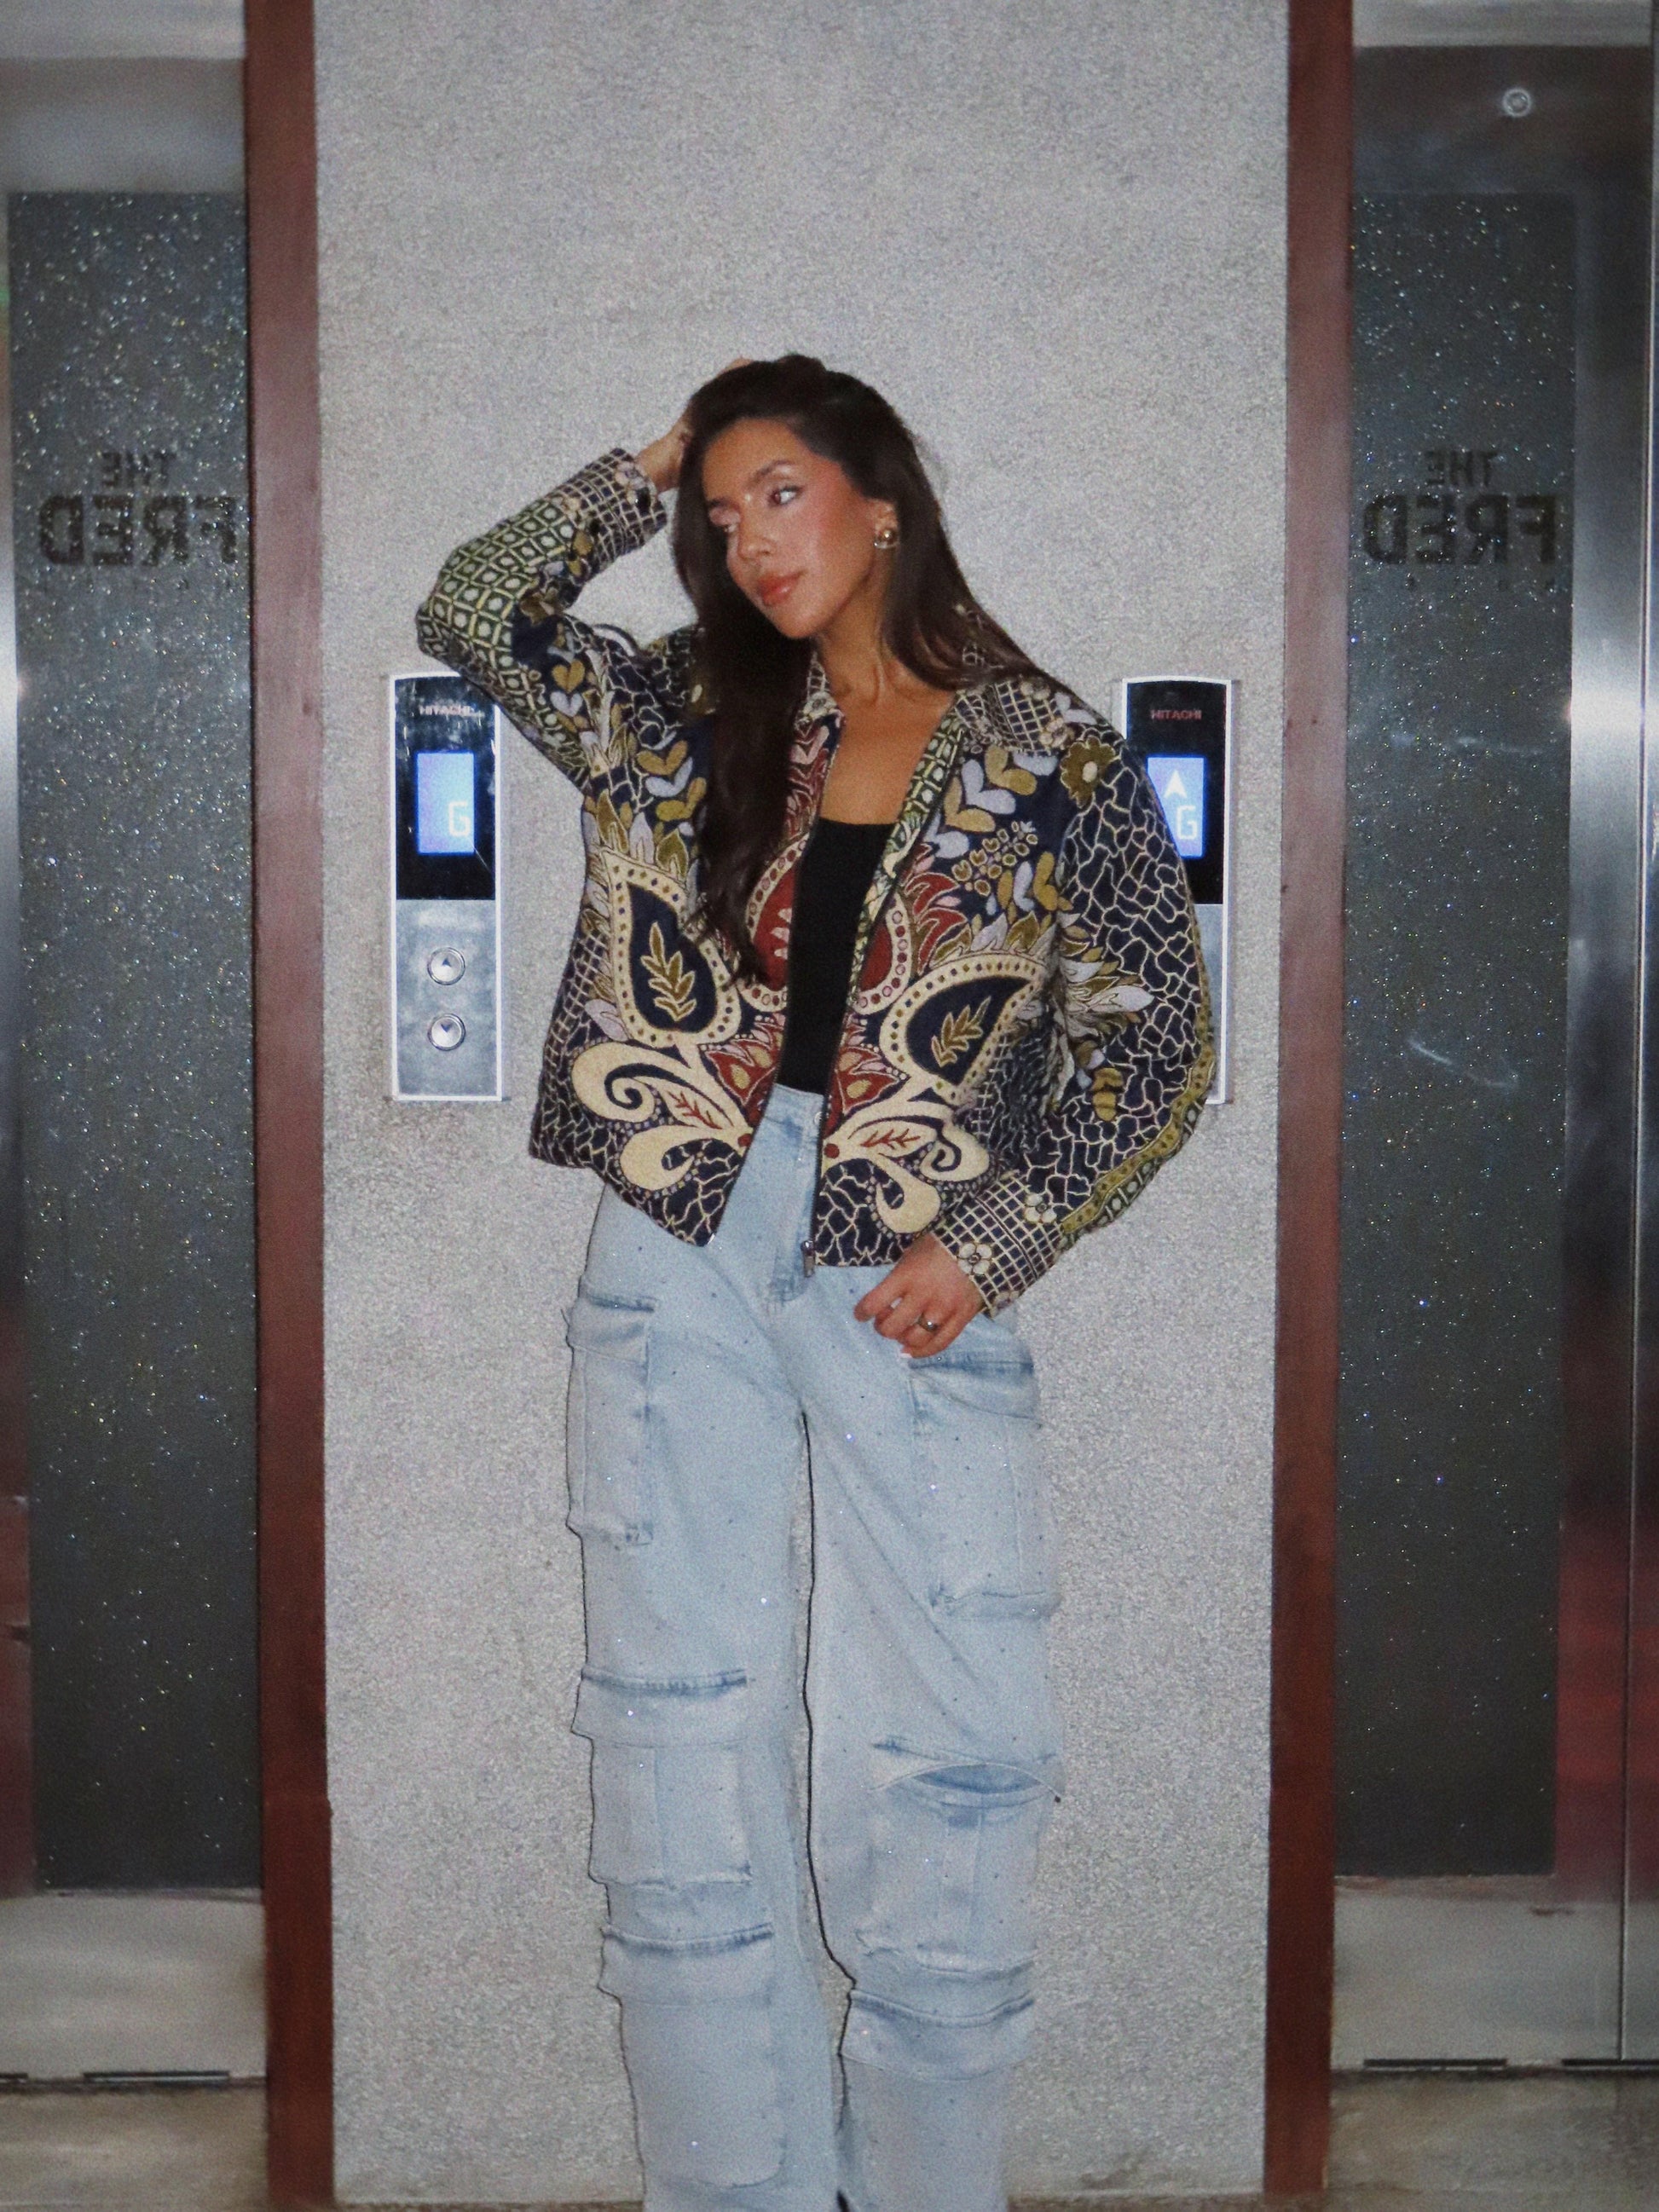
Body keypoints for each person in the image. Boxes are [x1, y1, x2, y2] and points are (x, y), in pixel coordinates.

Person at [416, 355, 1211, 2212]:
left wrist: (995, 1242)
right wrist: (653, 461)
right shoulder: (682, 712)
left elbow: (1154, 1041)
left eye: (781, 492)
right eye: (722, 514)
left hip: (903, 1253)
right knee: (675, 1721)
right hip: (674, 1233)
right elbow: (473, 606)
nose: (748, 540)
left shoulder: (1042, 755)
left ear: (882, 502)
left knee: (948, 1740)